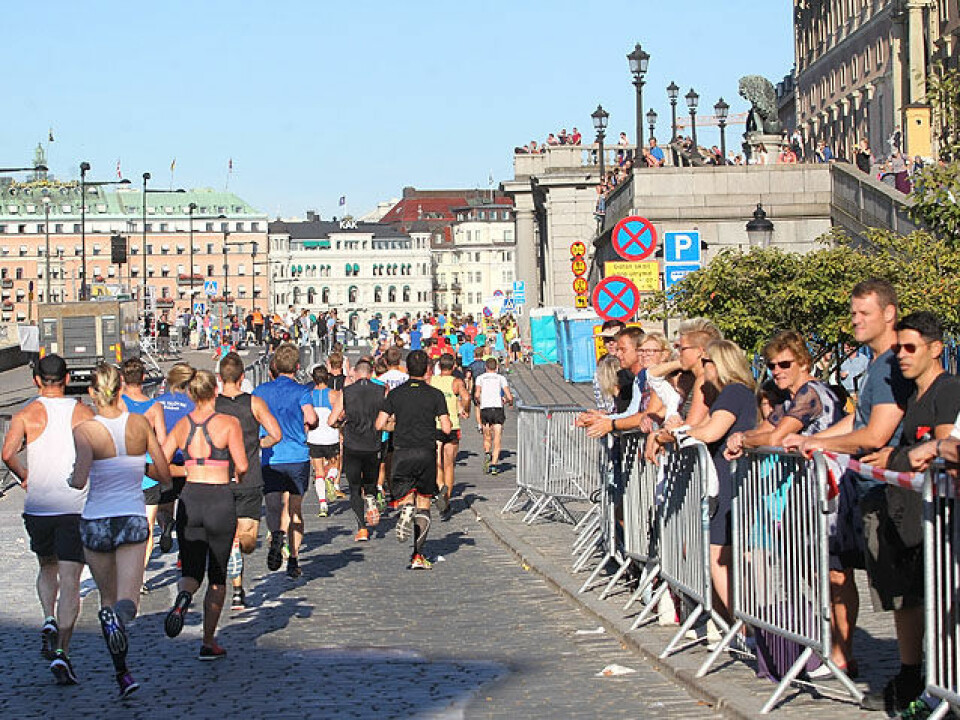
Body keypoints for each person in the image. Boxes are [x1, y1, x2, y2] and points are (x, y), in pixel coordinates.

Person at [784, 278, 914, 714]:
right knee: (892, 592)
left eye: (864, 313)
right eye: (853, 312)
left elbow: (877, 432)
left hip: (892, 490)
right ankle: (913, 674)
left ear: (889, 314)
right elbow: (853, 422)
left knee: (905, 594)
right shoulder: (876, 363)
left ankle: (916, 676)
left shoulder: (892, 363)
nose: (855, 320)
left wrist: (824, 444)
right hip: (874, 490)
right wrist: (818, 440)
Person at [724, 331, 850, 674]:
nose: (777, 370)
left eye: (785, 364)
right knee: (811, 571)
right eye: (772, 364)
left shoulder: (812, 392)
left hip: (827, 490)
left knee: (832, 573)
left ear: (804, 362)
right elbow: (769, 428)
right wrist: (750, 437)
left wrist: (742, 437)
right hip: (802, 494)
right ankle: (825, 646)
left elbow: (775, 436)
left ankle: (840, 651)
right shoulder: (788, 398)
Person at [857, 312, 960, 718]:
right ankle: (925, 683)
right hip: (914, 520)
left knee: (942, 610)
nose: (901, 355)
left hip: (941, 522)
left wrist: (897, 456)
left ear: (936, 349)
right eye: (898, 347)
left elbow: (939, 452)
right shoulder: (913, 394)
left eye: (910, 347)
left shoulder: (948, 390)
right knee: (915, 604)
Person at [70, 363, 170, 697]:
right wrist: (138, 469)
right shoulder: (140, 424)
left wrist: (70, 477)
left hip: (96, 518)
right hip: (131, 514)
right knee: (127, 601)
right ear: (120, 390)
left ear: (92, 393)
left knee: (106, 597)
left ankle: (122, 672)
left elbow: (80, 479)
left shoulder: (85, 430)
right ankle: (119, 625)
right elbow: (163, 472)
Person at [2, 354, 94, 685]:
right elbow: (93, 453)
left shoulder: (25, 414)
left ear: (36, 380)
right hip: (72, 506)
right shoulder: (82, 413)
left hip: (38, 507)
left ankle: (47, 617)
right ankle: (62, 653)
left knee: (46, 567)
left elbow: (7, 452)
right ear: (67, 378)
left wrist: (25, 476)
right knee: (71, 580)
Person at [652, 339, 757, 625]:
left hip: (730, 478)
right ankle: (734, 623)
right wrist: (681, 430)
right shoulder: (726, 393)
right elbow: (702, 427)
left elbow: (710, 432)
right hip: (726, 477)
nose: (704, 365)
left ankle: (741, 626)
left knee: (719, 556)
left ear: (722, 364)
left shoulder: (733, 392)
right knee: (720, 553)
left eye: (708, 361)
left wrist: (675, 436)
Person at [161, 369, 247, 660]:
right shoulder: (228, 423)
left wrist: (184, 470)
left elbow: (160, 458)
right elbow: (243, 465)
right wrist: (233, 473)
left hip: (190, 498)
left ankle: (183, 598)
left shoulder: (182, 426)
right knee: (218, 575)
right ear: (216, 390)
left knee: (191, 570)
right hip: (219, 499)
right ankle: (209, 642)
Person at [215, 352, 281, 611]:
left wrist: (252, 446)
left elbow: (275, 434)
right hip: (235, 478)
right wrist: (258, 445)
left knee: (245, 541)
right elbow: (276, 435)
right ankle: (237, 590)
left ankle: (234, 556)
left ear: (220, 378)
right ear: (242, 377)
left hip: (235, 478)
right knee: (241, 540)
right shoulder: (250, 403)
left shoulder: (219, 406)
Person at [376, 350, 452, 569]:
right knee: (425, 503)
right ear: (428, 369)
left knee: (407, 497)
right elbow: (446, 427)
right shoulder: (435, 394)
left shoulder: (395, 394)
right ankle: (418, 555)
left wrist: (396, 425)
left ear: (406, 369)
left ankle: (406, 509)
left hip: (401, 451)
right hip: (426, 451)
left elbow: (380, 424)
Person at [252, 343, 318, 579]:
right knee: (296, 510)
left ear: (274, 367)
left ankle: (277, 534)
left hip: (271, 456)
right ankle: (293, 558)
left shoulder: (260, 392)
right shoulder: (301, 392)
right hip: (297, 456)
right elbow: (311, 417)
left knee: (272, 505)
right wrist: (310, 422)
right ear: (297, 367)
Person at [118, 358, 167, 590]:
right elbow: (164, 442)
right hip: (148, 472)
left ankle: (124, 571)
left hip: (124, 472)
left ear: (122, 379)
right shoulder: (155, 407)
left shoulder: (119, 404)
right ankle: (139, 575)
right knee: (147, 528)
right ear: (144, 377)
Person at [329, 358, 386, 541]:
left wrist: (340, 423)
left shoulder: (346, 392)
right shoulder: (381, 390)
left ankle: (362, 528)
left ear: (355, 373)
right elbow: (387, 417)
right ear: (371, 374)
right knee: (370, 483)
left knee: (354, 488)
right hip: (373, 443)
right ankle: (370, 497)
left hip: (352, 444)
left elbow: (331, 420)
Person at [153, 363, 197, 555]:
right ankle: (185, 538)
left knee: (164, 504)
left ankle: (165, 526)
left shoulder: (158, 402)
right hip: (187, 459)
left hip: (164, 459)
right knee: (189, 504)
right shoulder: (193, 405)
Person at [431, 353, 470, 518]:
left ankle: (440, 487)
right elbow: (466, 397)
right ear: (453, 367)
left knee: (436, 462)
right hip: (452, 426)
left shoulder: (432, 381)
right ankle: (446, 501)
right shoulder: (456, 382)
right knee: (449, 465)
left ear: (439, 366)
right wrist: (465, 409)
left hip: (436, 425)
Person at [306, 365, 342, 518]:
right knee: (335, 464)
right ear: (327, 378)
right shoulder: (334, 395)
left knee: (318, 471)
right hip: (331, 436)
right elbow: (341, 415)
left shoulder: (308, 395)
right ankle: (332, 479)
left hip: (314, 437)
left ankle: (322, 504)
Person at [474, 357, 514, 475]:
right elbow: (509, 396)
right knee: (497, 437)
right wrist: (508, 402)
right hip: (497, 408)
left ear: (485, 367)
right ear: (496, 367)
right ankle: (494, 465)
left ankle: (487, 453)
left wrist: (479, 401)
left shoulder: (480, 378)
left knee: (486, 436)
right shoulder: (501, 378)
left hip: (485, 409)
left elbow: (476, 394)